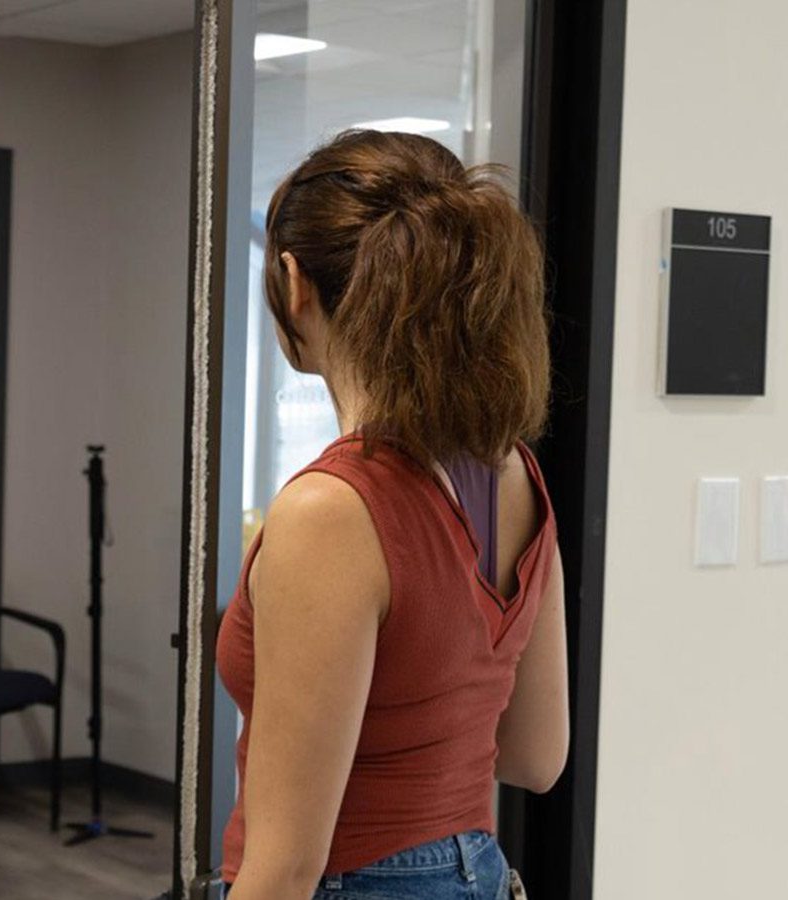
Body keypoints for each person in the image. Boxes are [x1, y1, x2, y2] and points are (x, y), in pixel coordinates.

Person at [217, 130, 569, 900]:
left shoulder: (331, 511)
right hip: (478, 878)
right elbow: (536, 757)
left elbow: (285, 869)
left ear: (291, 281)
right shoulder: (514, 472)